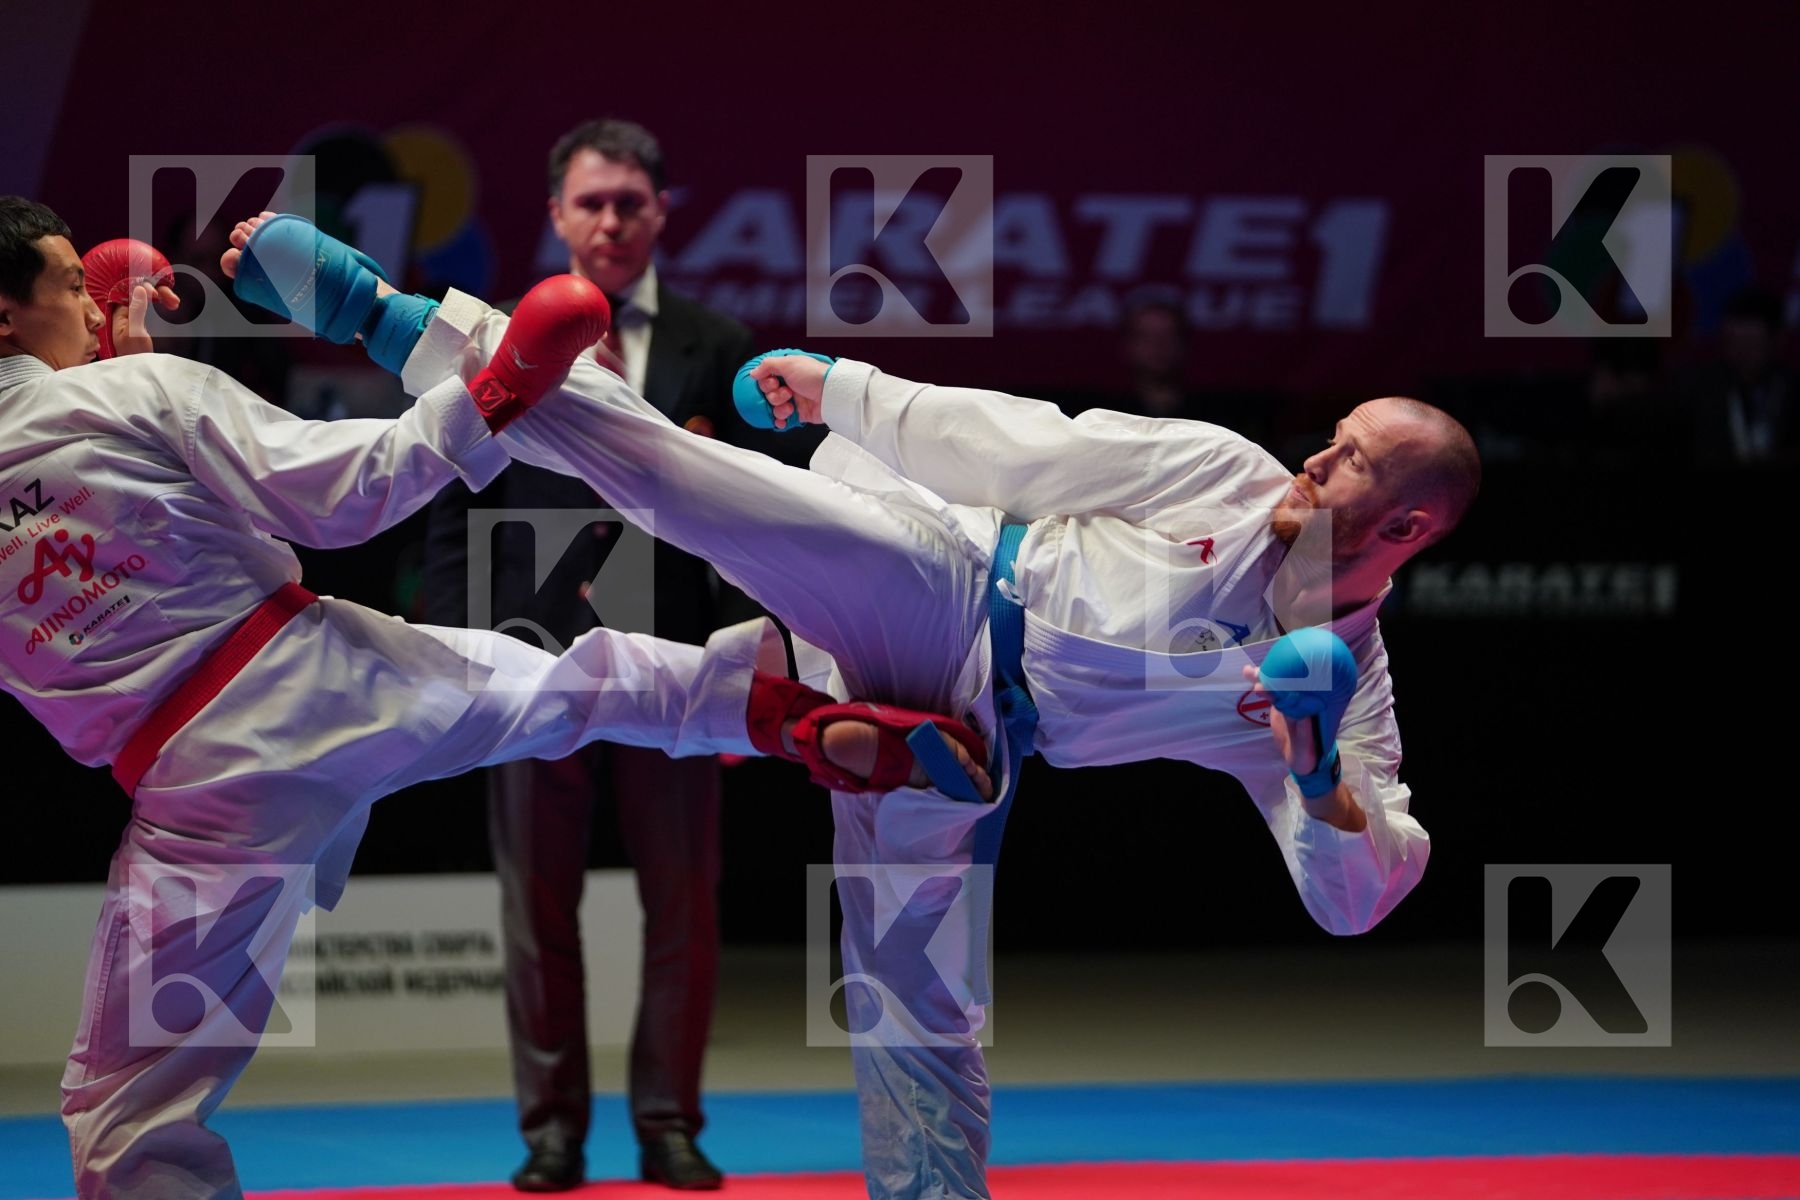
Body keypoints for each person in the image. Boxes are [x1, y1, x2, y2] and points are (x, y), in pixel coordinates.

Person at [232, 211, 1481, 1200]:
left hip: (966, 751)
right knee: (693, 481)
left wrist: (1314, 775)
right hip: (948, 585)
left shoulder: (1347, 691)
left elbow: (1358, 898)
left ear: (1409, 527)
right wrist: (846, 390)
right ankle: (403, 323)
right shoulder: (1231, 473)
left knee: (919, 1014)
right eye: (1335, 435)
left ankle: (791, 728)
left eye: (1355, 461)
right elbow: (1032, 445)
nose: (1318, 458)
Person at [0, 196, 988, 1200]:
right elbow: (341, 496)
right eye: (71, 285)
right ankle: (785, 712)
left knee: (129, 1106)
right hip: (315, 680)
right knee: (577, 685)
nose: (89, 302)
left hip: (189, 789)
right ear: (5, 314)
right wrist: (488, 394)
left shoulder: (112, 395)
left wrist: (110, 372)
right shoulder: (131, 394)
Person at [422, 117, 768, 1193]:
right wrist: (456, 654)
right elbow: (452, 493)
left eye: (630, 202)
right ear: (557, 216)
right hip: (530, 663)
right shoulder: (495, 339)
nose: (611, 220)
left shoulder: (719, 343)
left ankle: (668, 1126)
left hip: (681, 665)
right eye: (592, 202)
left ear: (661, 213)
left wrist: (756, 671)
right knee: (536, 909)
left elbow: (762, 516)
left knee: (684, 905)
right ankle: (551, 1134)